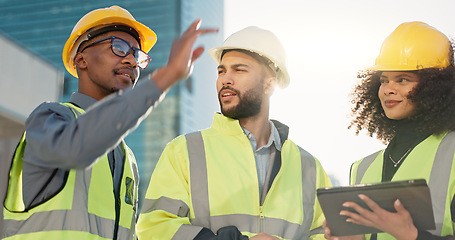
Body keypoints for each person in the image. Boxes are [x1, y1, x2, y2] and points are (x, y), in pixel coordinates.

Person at [2, 5, 217, 240]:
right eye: (119, 47)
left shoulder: (127, 158)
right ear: (81, 59)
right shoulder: (49, 118)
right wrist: (165, 76)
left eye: (137, 55)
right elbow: (74, 148)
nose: (132, 62)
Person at [136, 26, 332, 240]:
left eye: (239, 70)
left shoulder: (310, 167)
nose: (225, 79)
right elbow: (154, 229)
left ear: (269, 84)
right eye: (221, 71)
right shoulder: (184, 151)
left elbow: (326, 235)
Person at [324, 21, 455, 240]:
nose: (388, 90)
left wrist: (411, 235)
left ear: (436, 86)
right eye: (384, 81)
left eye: (403, 79)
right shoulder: (362, 169)